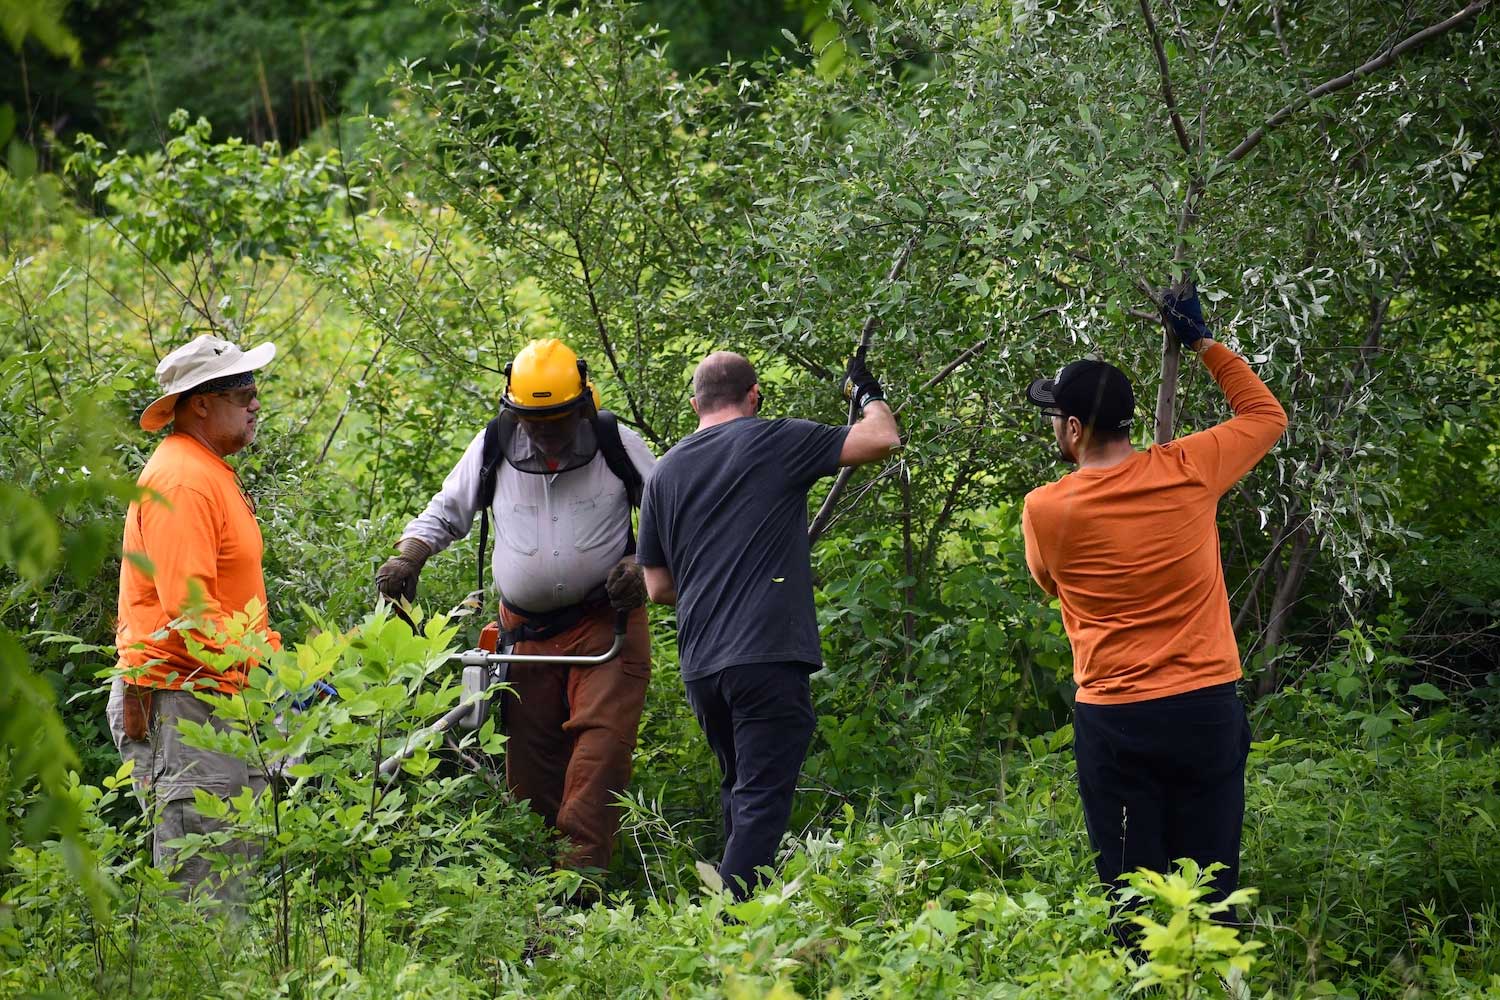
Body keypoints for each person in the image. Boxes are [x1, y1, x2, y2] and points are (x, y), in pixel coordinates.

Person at [1020, 285, 1288, 915]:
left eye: (1056, 417)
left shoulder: (1047, 509)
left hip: (1116, 717)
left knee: (1131, 889)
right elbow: (1265, 415)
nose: (1054, 428)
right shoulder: (1191, 467)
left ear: (1077, 429)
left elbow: (1051, 584)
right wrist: (1201, 342)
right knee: (1211, 884)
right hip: (1204, 707)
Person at [376, 338, 655, 873]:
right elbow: (447, 509)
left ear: (581, 407)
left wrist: (645, 564)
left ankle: (579, 884)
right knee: (530, 766)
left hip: (605, 625)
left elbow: (675, 509)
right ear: (512, 411)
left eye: (557, 418)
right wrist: (410, 556)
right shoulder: (495, 445)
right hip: (525, 636)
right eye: (533, 419)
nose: (545, 431)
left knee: (599, 756)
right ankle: (533, 886)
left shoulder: (614, 442)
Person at [637, 351, 900, 898]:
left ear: (694, 405)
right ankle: (732, 927)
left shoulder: (663, 473)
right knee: (761, 800)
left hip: (702, 665)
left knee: (740, 789)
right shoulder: (771, 439)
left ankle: (740, 929)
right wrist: (867, 396)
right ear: (755, 395)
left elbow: (657, 588)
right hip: (765, 654)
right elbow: (880, 440)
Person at [108, 333, 282, 901]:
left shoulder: (207, 471)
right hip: (185, 703)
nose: (257, 403)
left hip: (219, 697)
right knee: (204, 895)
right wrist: (277, 677)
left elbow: (230, 608)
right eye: (245, 392)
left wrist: (280, 670)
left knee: (236, 877)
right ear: (201, 403)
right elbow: (193, 617)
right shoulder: (183, 481)